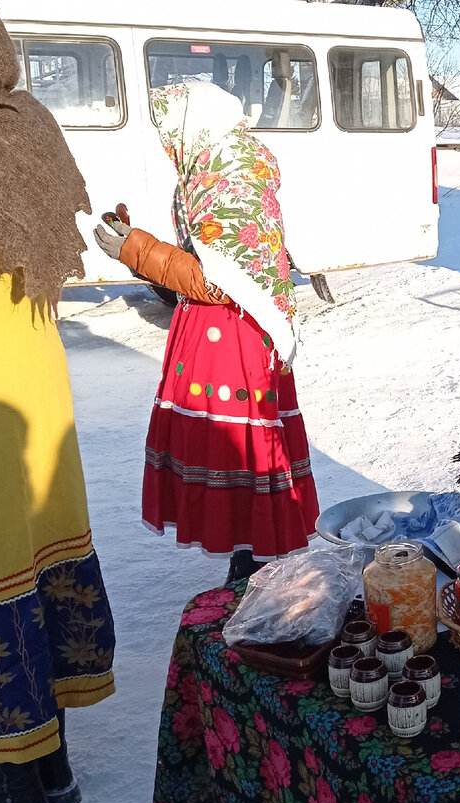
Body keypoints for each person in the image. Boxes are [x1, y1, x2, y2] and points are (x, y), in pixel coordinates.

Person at [0, 1, 117, 803]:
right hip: (34, 384)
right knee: (38, 559)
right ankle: (52, 768)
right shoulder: (27, 123)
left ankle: (9, 792)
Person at [92, 82, 318, 582]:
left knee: (242, 456)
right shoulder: (212, 168)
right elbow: (208, 264)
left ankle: (260, 580)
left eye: (170, 131)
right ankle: (253, 568)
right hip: (221, 337)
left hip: (235, 342)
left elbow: (223, 282)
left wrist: (141, 250)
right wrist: (140, 251)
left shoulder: (229, 176)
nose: (169, 143)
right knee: (239, 465)